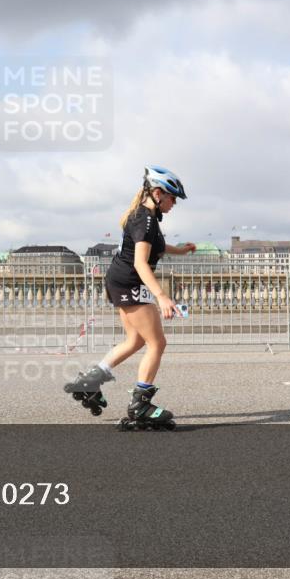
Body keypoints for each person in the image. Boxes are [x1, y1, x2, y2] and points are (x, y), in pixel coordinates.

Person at [64, 165, 195, 430]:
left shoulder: (145, 217)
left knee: (135, 340)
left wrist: (179, 251)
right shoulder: (145, 220)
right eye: (172, 198)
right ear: (158, 194)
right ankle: (140, 404)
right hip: (130, 281)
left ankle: (91, 381)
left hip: (119, 280)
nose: (174, 204)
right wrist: (161, 296)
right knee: (157, 343)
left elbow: (154, 246)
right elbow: (140, 262)